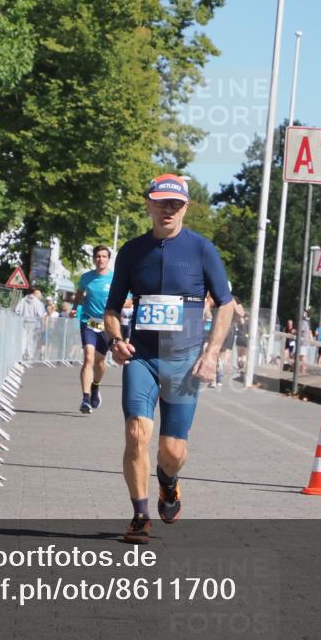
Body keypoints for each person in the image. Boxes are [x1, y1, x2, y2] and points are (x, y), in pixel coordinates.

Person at [103, 173, 232, 545]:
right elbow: (112, 309)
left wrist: (211, 355)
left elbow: (225, 305)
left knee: (172, 451)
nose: (167, 210)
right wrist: (115, 339)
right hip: (142, 358)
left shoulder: (202, 250)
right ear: (148, 205)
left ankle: (169, 483)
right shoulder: (131, 251)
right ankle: (140, 514)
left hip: (184, 362)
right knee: (135, 434)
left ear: (186, 208)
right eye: (161, 202)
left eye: (175, 204)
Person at [71, 246, 114, 414]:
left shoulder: (115, 279)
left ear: (108, 259)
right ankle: (85, 398)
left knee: (100, 363)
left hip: (106, 324)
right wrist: (75, 307)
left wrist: (112, 304)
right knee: (88, 358)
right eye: (98, 256)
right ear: (94, 259)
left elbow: (129, 302)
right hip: (88, 321)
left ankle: (96, 386)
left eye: (104, 256)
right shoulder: (86, 277)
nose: (100, 259)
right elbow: (80, 293)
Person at [16, 288, 46, 360]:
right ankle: (29, 357)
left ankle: (21, 355)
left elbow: (17, 310)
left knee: (23, 339)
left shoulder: (23, 300)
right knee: (31, 341)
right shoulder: (37, 302)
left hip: (23, 321)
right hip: (33, 323)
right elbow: (40, 315)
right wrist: (43, 326)